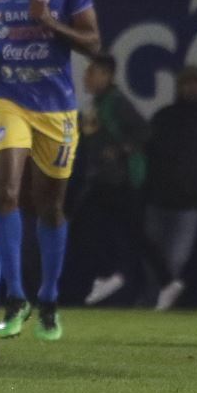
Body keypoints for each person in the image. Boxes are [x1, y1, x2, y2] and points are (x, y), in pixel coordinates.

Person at [0, 0, 100, 341]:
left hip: (55, 106)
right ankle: (15, 295)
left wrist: (53, 24)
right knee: (6, 191)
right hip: (5, 98)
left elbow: (93, 43)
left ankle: (48, 297)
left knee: (50, 206)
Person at [142, 66, 197, 310]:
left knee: (175, 261)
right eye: (188, 82)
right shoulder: (164, 116)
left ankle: (163, 307)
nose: (192, 87)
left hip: (189, 202)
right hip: (158, 199)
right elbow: (149, 154)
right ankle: (152, 301)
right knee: (154, 257)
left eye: (196, 82)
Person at [79, 53, 149, 305]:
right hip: (103, 178)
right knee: (117, 231)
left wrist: (120, 150)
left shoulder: (116, 102)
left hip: (118, 179)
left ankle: (112, 273)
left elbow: (144, 130)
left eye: (92, 72)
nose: (86, 77)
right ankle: (112, 274)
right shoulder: (97, 103)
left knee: (99, 227)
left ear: (106, 76)